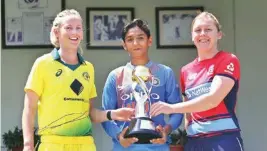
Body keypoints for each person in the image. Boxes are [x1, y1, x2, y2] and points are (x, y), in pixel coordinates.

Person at [22, 9, 135, 151]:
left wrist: (112, 114)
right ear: (57, 32)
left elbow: (89, 113)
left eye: (78, 28)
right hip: (52, 145)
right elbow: (29, 109)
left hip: (85, 145)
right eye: (68, 28)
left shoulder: (88, 68)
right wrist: (28, 144)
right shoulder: (43, 64)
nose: (74, 32)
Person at [150, 12, 244, 151]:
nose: (203, 34)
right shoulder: (185, 70)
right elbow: (189, 114)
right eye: (198, 30)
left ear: (219, 34)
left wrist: (170, 108)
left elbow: (213, 99)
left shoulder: (228, 60)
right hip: (194, 142)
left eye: (208, 29)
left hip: (223, 139)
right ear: (192, 36)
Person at [101, 19, 183, 151]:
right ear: (124, 45)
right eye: (130, 39)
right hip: (124, 147)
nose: (135, 43)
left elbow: (177, 110)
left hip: (158, 147)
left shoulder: (165, 73)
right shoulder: (115, 76)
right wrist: (118, 135)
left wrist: (166, 130)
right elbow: (105, 115)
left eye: (140, 38)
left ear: (149, 41)